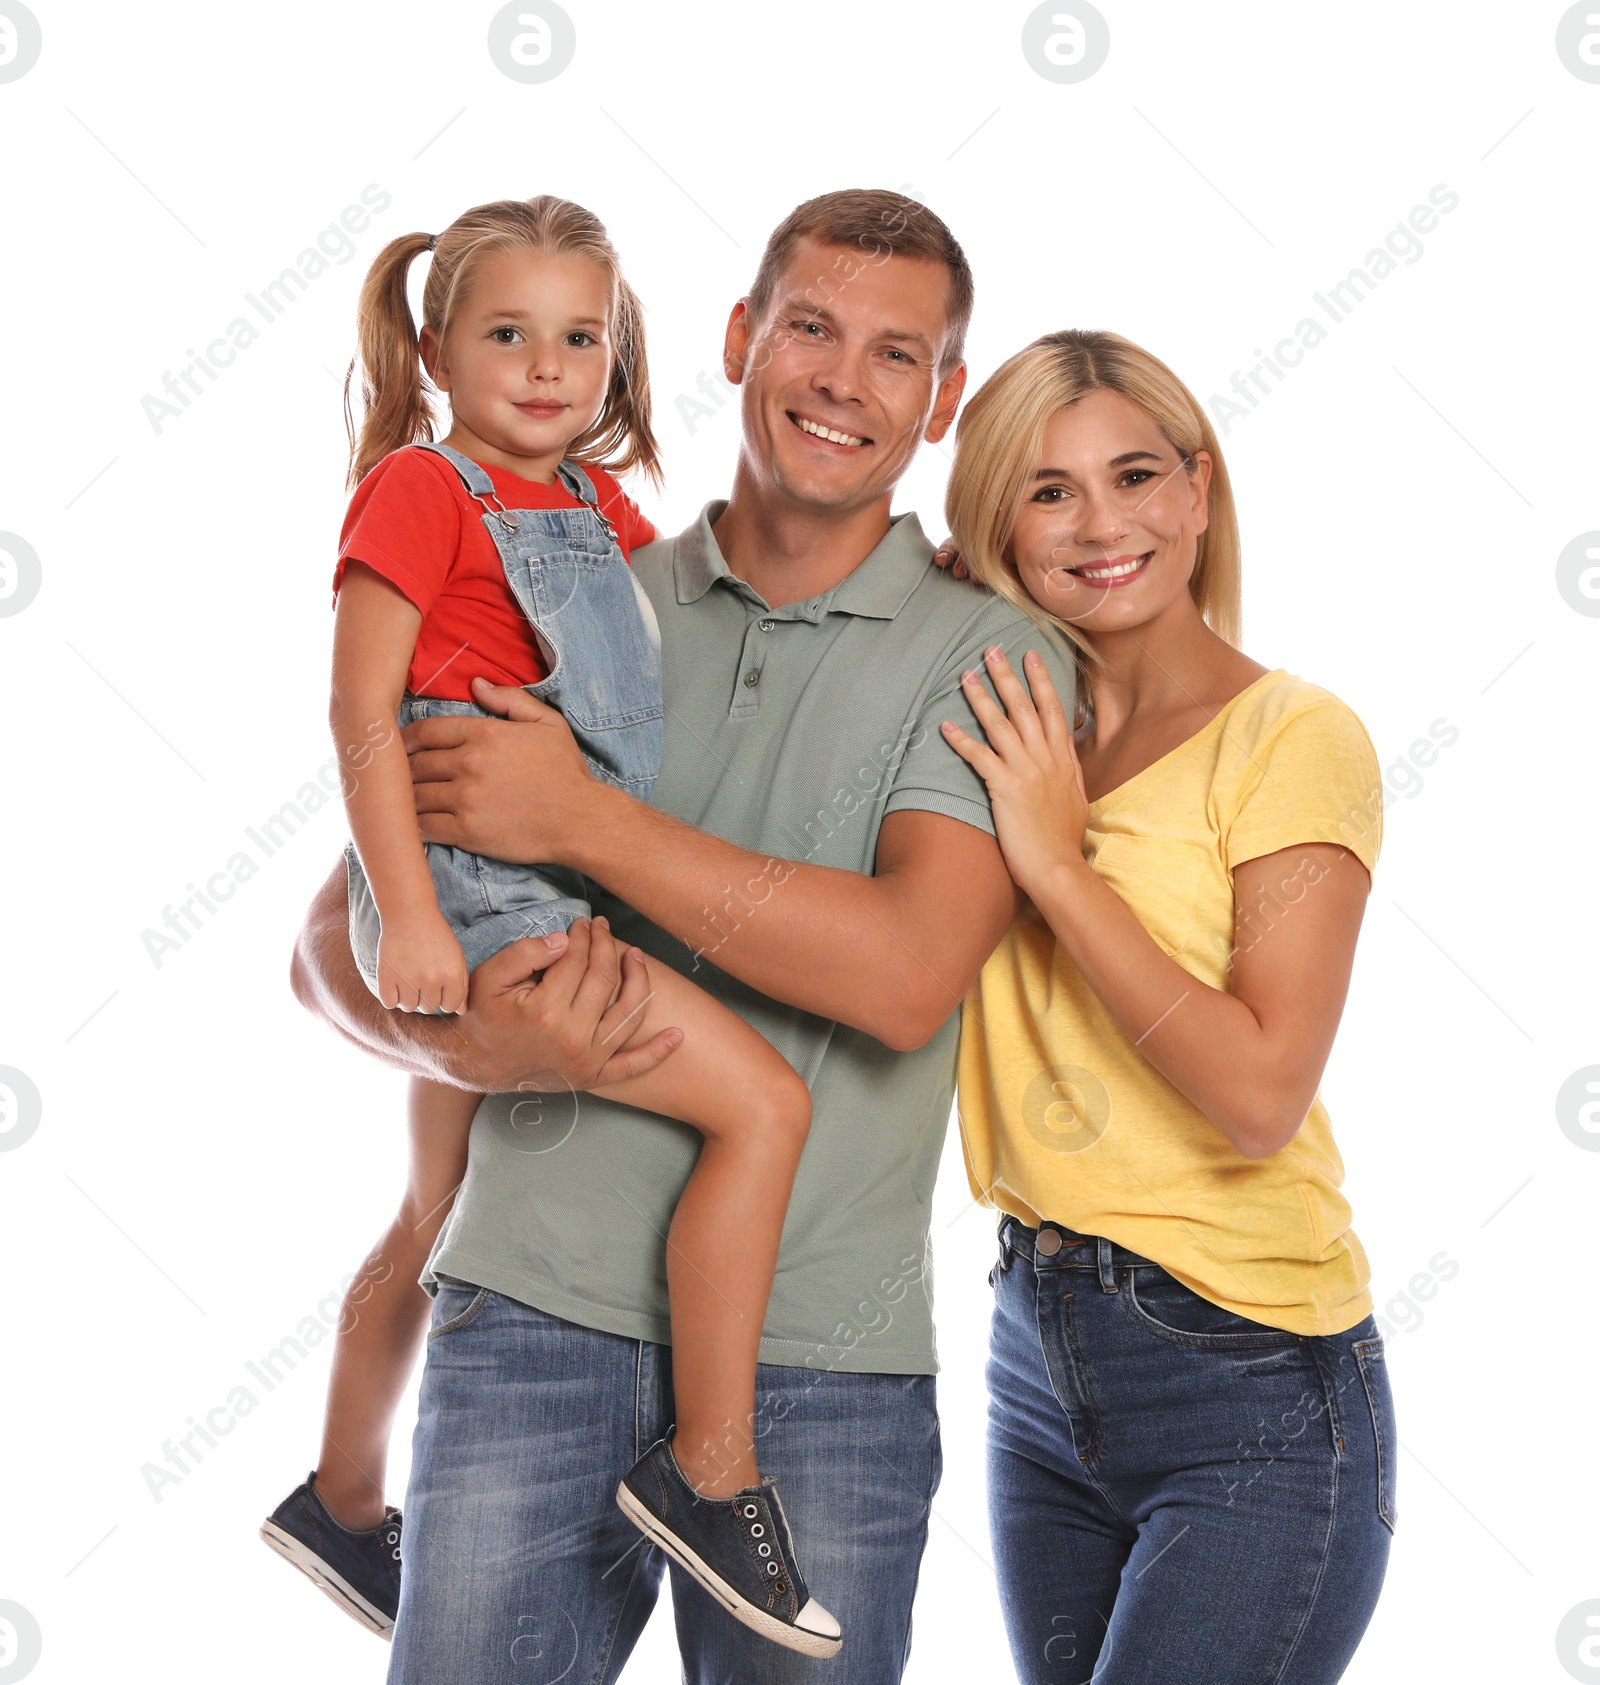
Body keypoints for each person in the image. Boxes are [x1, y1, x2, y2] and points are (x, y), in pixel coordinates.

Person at [287, 189, 1079, 1684]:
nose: (844, 381)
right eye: (811, 329)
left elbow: (908, 975)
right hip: (528, 1319)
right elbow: (330, 940)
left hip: (826, 1366)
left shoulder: (995, 650)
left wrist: (582, 823)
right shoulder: (576, 588)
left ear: (944, 399)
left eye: (896, 355)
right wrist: (455, 1029)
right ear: (738, 337)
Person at [259, 193, 839, 1659]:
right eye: (506, 334)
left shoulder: (589, 505)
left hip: (547, 864)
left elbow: (693, 610)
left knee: (435, 1213)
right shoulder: (420, 488)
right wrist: (405, 926)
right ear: (441, 346)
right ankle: (709, 1472)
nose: (545, 366)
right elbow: (363, 714)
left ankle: (341, 1499)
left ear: (617, 356)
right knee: (763, 1104)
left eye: (578, 338)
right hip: (470, 882)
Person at [939, 329, 1395, 1684]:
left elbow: (1261, 1092)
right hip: (1036, 1347)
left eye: (1135, 475)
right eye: (1048, 488)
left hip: (1248, 1368)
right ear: (997, 521)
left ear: (1198, 492)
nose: (1100, 524)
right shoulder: (1003, 726)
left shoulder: (1294, 738)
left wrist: (1058, 872)